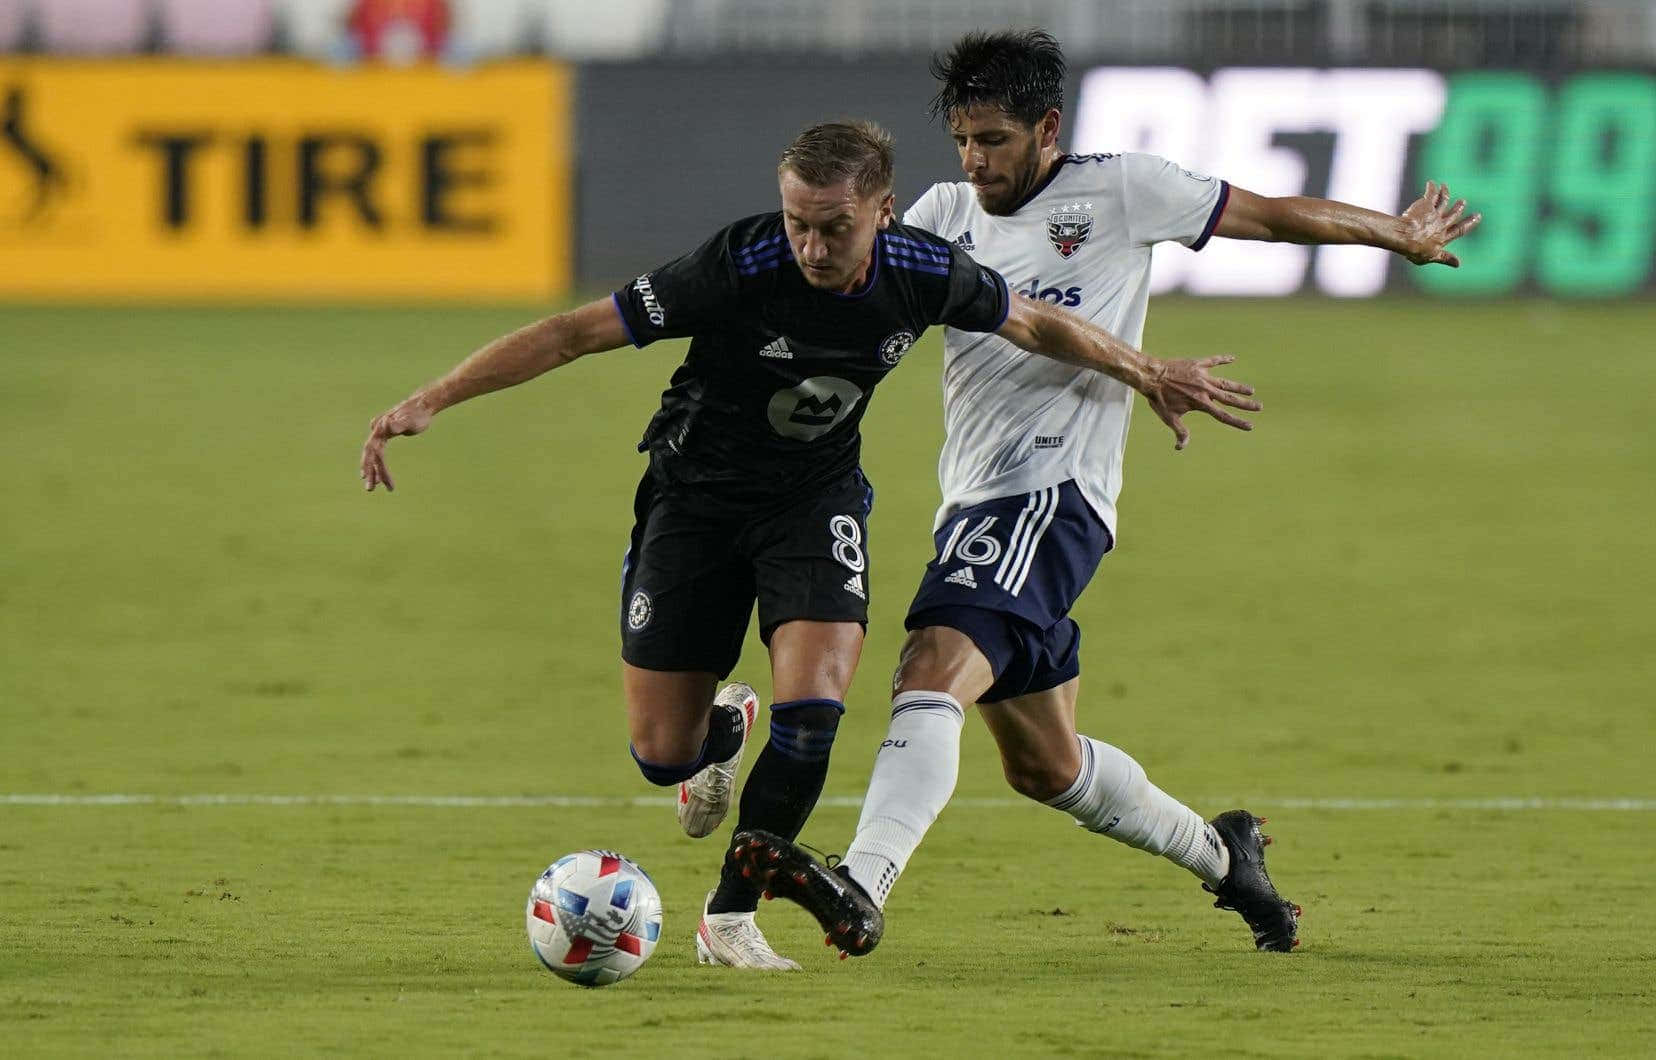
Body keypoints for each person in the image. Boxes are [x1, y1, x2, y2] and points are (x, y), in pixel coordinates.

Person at [359, 118, 1260, 970]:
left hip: (812, 501)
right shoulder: (737, 264)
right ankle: (719, 733)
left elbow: (1033, 321)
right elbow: (572, 333)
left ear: (882, 210)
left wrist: (1148, 372)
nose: (812, 247)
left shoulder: (923, 268)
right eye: (798, 223)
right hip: (694, 502)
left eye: (834, 227)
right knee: (660, 752)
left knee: (817, 709)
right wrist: (431, 398)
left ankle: (729, 918)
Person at [730, 30, 1481, 957]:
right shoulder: (939, 213)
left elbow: (1271, 214)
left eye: (995, 139)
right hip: (973, 503)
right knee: (1045, 764)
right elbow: (845, 290)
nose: (976, 159)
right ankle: (1225, 857)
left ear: (1048, 126)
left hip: (1054, 495)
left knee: (931, 666)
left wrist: (1394, 233)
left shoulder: (1123, 189)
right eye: (964, 139)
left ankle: (864, 879)